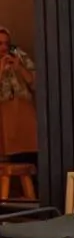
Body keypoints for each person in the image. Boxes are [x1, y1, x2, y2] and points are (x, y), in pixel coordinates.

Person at [0, 27, 37, 158]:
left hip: (25, 113)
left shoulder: (19, 55)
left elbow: (36, 84)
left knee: (32, 158)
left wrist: (19, 68)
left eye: (7, 43)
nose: (4, 48)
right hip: (5, 119)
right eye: (0, 43)